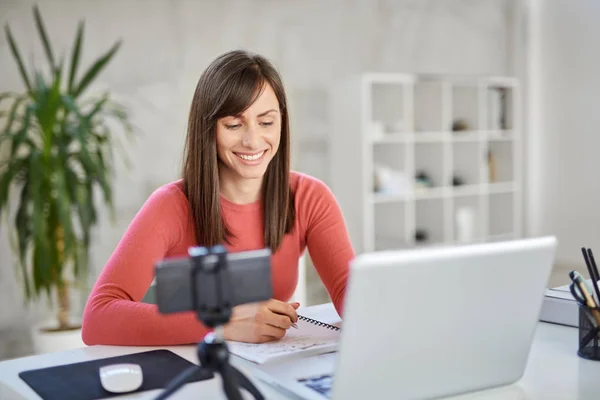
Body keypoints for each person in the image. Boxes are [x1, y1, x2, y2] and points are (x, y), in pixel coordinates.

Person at [81, 50, 355, 346]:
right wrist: (223, 324)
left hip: (270, 368)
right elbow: (99, 318)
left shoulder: (309, 197)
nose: (252, 140)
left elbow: (350, 294)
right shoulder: (170, 205)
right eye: (234, 125)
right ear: (208, 128)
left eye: (266, 122)